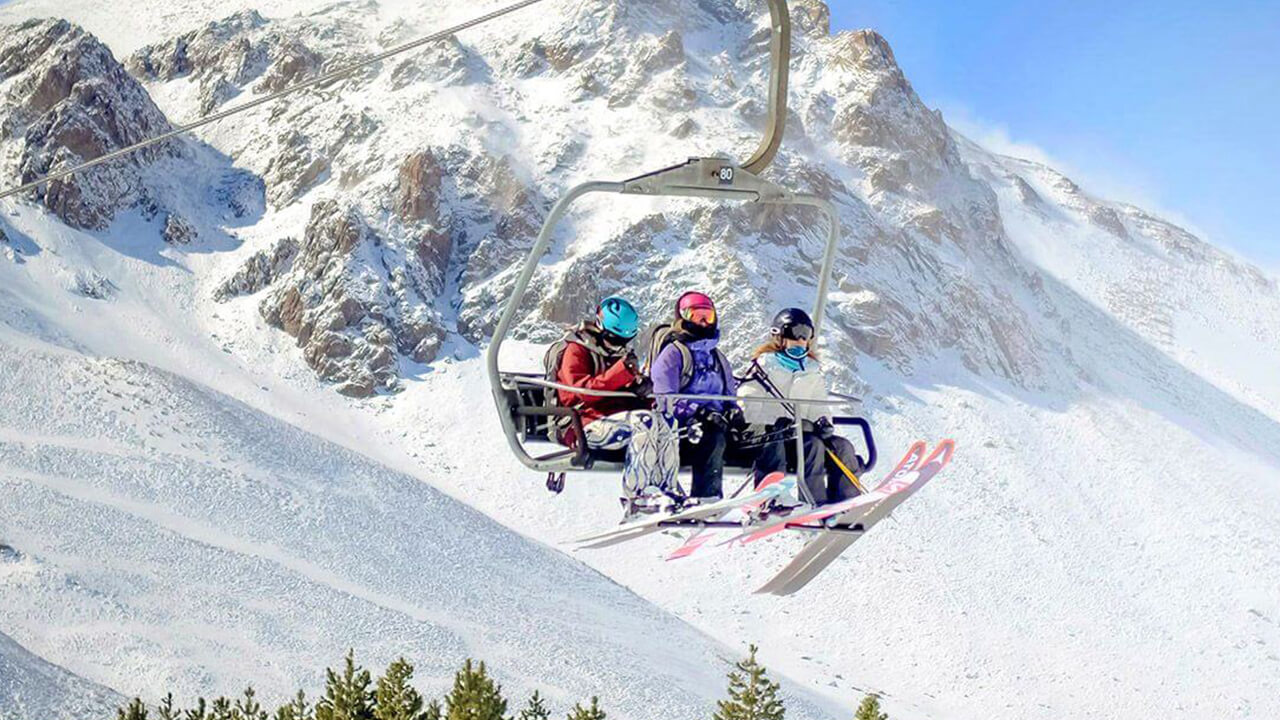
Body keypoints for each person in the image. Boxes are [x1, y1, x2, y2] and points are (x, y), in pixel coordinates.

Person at [549, 296, 679, 517]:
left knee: (666, 421)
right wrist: (620, 374)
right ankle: (636, 498)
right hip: (579, 424)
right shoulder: (577, 350)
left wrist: (641, 392)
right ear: (600, 328)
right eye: (613, 339)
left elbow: (621, 395)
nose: (617, 345)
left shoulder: (621, 356)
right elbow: (578, 392)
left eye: (623, 341)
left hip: (612, 420)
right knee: (643, 423)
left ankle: (665, 490)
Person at [737, 307, 867, 506]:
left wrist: (822, 423)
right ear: (779, 336)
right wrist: (773, 423)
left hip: (800, 437)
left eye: (805, 335)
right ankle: (812, 504)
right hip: (773, 439)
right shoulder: (763, 368)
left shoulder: (812, 372)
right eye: (793, 333)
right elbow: (747, 404)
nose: (799, 340)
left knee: (842, 446)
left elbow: (819, 407)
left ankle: (847, 502)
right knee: (812, 446)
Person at [648, 291, 742, 503]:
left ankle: (771, 496)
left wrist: (734, 413)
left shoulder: (718, 357)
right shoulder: (674, 354)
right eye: (696, 316)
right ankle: (706, 497)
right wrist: (698, 412)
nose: (702, 322)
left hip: (718, 424)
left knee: (771, 434)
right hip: (683, 429)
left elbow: (729, 396)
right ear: (683, 319)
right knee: (712, 437)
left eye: (707, 317)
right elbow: (664, 398)